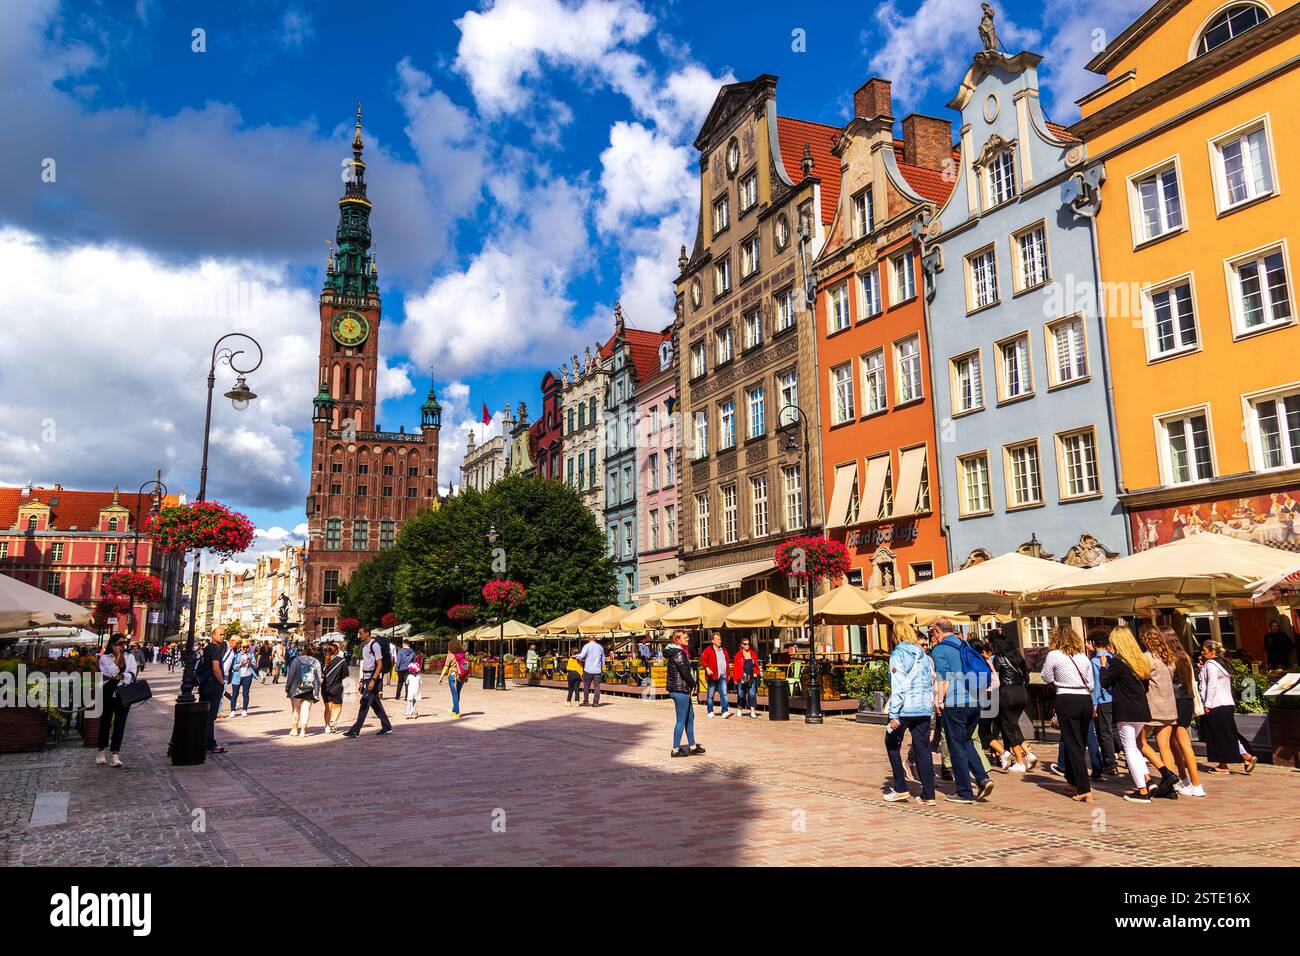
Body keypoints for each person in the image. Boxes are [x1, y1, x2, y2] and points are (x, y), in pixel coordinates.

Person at [929, 619, 994, 804]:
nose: (933, 637)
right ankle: (982, 778)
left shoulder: (940, 649)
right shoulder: (963, 644)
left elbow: (943, 677)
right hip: (975, 701)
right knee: (966, 741)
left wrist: (939, 700)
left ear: (938, 632)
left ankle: (964, 792)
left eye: (933, 633)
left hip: (956, 702)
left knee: (955, 745)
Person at [1039, 624, 1095, 803]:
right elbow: (1091, 684)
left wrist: (1058, 680)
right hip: (1085, 699)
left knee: (1073, 743)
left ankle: (1084, 789)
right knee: (1079, 740)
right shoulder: (1083, 656)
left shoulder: (1054, 655)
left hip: (1066, 697)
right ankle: (1073, 779)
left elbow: (1046, 676)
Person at [883, 628, 936, 805]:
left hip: (905, 708)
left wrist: (893, 713)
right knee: (923, 749)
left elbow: (898, 686)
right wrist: (929, 707)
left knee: (891, 742)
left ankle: (900, 787)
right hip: (923, 707)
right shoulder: (923, 655)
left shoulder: (898, 654)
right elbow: (929, 682)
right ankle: (929, 794)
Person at [1101, 626, 1153, 803]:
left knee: (1129, 749)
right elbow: (1145, 687)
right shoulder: (1139, 661)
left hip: (1126, 710)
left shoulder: (1117, 662)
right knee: (1135, 747)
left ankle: (1142, 790)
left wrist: (1102, 666)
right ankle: (1147, 780)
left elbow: (1105, 682)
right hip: (1141, 708)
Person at [1198, 640, 1258, 774]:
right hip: (1227, 702)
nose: (1202, 652)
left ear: (1212, 652)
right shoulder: (1223, 664)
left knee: (1218, 735)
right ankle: (1242, 757)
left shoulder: (1211, 665)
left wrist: (1207, 704)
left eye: (1204, 650)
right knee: (1228, 733)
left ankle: (1227, 763)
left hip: (1216, 703)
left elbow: (1211, 685)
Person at [1138, 624, 1181, 799]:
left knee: (1138, 741)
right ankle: (1170, 788)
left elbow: (1141, 677)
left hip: (1152, 705)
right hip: (1169, 705)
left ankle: (1165, 774)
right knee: (1164, 745)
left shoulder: (1147, 657)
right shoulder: (1169, 657)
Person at [1162, 627, 1205, 797]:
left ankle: (1194, 782)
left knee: (1178, 742)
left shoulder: (1169, 658)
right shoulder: (1185, 656)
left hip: (1175, 699)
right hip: (1186, 699)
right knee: (1177, 741)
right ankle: (1185, 779)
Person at [990, 632, 1032, 772]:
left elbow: (995, 680)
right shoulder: (1018, 657)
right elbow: (1026, 675)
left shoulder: (998, 659)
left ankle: (1020, 761)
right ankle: (1029, 755)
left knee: (1008, 728)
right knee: (1014, 724)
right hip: (1021, 692)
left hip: (1007, 694)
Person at [96, 633, 138, 768]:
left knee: (120, 724)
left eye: (124, 643)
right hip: (107, 693)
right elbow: (108, 673)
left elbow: (131, 674)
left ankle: (115, 755)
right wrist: (117, 657)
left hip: (123, 694)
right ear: (113, 644)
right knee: (105, 722)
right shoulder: (104, 658)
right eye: (120, 643)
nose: (123, 646)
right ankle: (101, 752)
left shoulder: (129, 656)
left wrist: (119, 676)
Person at [342, 628, 393, 737]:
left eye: (361, 633)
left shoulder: (374, 645)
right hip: (367, 678)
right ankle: (387, 726)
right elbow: (366, 665)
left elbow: (379, 664)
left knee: (364, 703)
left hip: (373, 678)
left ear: (367, 633)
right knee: (375, 704)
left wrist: (373, 680)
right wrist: (362, 680)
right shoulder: (364, 646)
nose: (359, 635)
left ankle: (355, 730)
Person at [664, 630, 704, 757]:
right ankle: (675, 749)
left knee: (690, 717)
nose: (687, 639)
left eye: (687, 637)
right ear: (677, 640)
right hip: (680, 689)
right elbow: (685, 673)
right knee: (681, 720)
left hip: (682, 689)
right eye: (685, 637)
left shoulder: (679, 652)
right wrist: (693, 683)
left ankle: (692, 746)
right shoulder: (679, 654)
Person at [1086, 629, 1119, 779]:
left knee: (1104, 732)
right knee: (1115, 729)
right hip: (1115, 699)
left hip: (1103, 700)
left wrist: (1094, 703)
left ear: (1093, 643)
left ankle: (1110, 764)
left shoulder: (1094, 661)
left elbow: (1097, 684)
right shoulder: (1112, 657)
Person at [198, 629, 228, 754]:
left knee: (205, 715)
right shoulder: (215, 649)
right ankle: (210, 744)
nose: (222, 637)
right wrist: (221, 682)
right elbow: (216, 668)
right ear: (213, 635)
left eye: (223, 634)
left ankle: (204, 742)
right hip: (214, 685)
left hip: (205, 685)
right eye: (220, 634)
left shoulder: (207, 648)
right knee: (211, 716)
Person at [285, 642, 322, 736]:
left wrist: (287, 687)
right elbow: (319, 677)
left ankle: (294, 730)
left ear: (303, 650)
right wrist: (318, 689)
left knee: (295, 710)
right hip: (310, 689)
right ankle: (303, 731)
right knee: (306, 710)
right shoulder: (315, 662)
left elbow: (291, 675)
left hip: (296, 689)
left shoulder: (297, 660)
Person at [438, 639, 470, 719]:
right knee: (457, 693)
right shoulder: (463, 654)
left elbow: (446, 666)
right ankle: (454, 710)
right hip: (462, 676)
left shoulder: (450, 655)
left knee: (454, 694)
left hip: (453, 675)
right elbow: (466, 665)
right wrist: (466, 676)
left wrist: (441, 676)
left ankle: (457, 712)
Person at [321, 642, 349, 733]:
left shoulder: (325, 661)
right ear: (336, 651)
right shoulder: (342, 661)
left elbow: (322, 674)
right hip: (337, 687)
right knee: (338, 706)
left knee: (327, 708)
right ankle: (333, 721)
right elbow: (345, 676)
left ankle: (327, 726)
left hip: (325, 687)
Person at [702, 633, 731, 718]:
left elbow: (727, 663)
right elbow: (703, 660)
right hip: (712, 676)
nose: (719, 641)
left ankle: (725, 711)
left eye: (720, 639)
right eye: (717, 639)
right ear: (713, 641)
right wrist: (707, 668)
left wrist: (728, 674)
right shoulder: (708, 650)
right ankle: (710, 711)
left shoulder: (724, 650)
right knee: (711, 694)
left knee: (724, 694)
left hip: (722, 676)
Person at [731, 637, 761, 719]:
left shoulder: (753, 654)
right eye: (745, 644)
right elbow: (736, 668)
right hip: (741, 677)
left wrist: (756, 673)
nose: (747, 645)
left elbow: (756, 665)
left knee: (752, 694)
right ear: (742, 645)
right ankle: (740, 709)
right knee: (741, 694)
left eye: (748, 644)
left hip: (751, 677)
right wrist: (735, 679)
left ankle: (752, 711)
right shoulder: (738, 655)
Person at [576, 633, 605, 707]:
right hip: (597, 670)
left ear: (588, 639)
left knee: (586, 686)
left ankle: (586, 702)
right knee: (597, 687)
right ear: (595, 639)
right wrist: (602, 668)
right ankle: (596, 703)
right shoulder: (600, 647)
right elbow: (603, 660)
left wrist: (576, 656)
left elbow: (582, 656)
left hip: (588, 670)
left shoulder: (587, 646)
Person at [227, 640, 255, 717]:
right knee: (234, 694)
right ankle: (233, 710)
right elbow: (232, 666)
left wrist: (250, 663)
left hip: (247, 676)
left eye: (247, 647)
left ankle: (244, 710)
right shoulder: (236, 654)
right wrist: (240, 664)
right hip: (237, 676)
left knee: (245, 693)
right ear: (241, 647)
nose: (245, 649)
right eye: (244, 647)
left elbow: (255, 666)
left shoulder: (251, 654)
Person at [403, 649, 424, 719]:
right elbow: (421, 683)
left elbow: (406, 683)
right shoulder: (418, 676)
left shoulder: (409, 676)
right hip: (416, 691)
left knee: (409, 701)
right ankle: (413, 712)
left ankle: (408, 713)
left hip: (410, 691)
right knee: (414, 701)